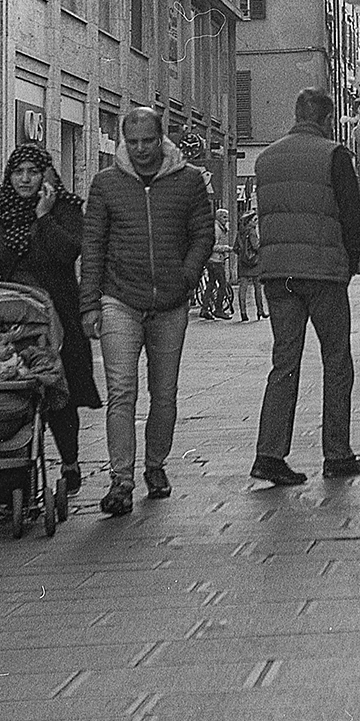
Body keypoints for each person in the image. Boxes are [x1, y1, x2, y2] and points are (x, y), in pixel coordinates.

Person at [80, 107, 214, 516]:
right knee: (122, 392)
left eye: (148, 141)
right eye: (133, 141)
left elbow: (203, 234)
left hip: (170, 304)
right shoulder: (106, 184)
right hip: (119, 299)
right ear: (124, 141)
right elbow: (93, 246)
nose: (140, 149)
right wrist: (89, 303)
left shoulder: (188, 181)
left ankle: (155, 465)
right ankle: (121, 480)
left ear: (162, 139)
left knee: (164, 393)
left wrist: (185, 277)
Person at [0, 143, 100, 500]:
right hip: (7, 318)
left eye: (33, 171)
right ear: (9, 176)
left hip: (57, 313)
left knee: (59, 389)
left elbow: (68, 251)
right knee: (9, 388)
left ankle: (69, 462)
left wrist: (43, 215)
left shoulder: (67, 209)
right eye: (18, 172)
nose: (25, 179)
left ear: (46, 175)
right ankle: (13, 468)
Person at [249, 88, 360, 484]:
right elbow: (352, 215)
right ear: (327, 118)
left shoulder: (266, 159)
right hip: (323, 273)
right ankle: (337, 452)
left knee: (284, 362)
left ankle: (269, 453)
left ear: (297, 113)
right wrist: (348, 262)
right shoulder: (334, 155)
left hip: (278, 274)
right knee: (337, 362)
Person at [234, 194, 265, 321]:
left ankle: (243, 312)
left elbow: (235, 247)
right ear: (251, 221)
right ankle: (260, 310)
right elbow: (256, 246)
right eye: (255, 220)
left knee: (243, 288)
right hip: (254, 262)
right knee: (257, 287)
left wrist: (243, 256)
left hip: (243, 263)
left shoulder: (240, 232)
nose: (256, 222)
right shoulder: (252, 231)